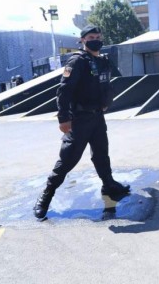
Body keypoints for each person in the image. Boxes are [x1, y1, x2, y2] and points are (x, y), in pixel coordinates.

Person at [33, 25, 130, 219]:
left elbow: (109, 84)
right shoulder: (77, 61)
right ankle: (46, 196)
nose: (96, 39)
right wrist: (63, 118)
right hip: (79, 120)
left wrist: (106, 103)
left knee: (101, 155)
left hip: (97, 118)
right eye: (91, 37)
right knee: (67, 160)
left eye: (98, 36)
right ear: (83, 40)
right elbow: (64, 90)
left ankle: (109, 185)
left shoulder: (103, 61)